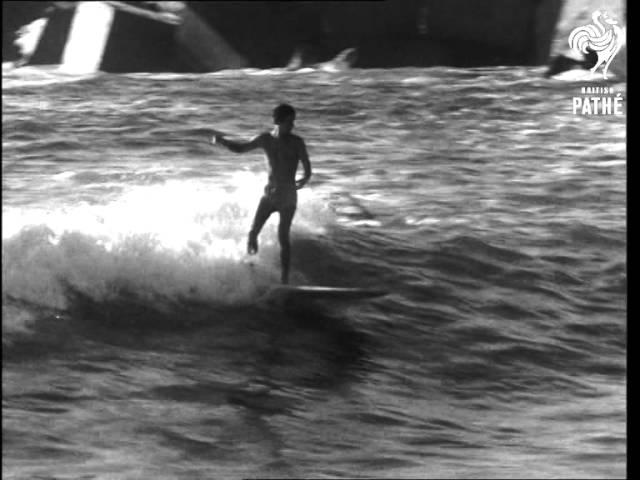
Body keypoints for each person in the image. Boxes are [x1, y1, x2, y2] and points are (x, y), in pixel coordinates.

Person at [212, 104, 312, 284]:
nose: (293, 125)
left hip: (288, 197)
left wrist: (304, 179)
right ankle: (251, 269)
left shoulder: (297, 142)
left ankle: (284, 281)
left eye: (293, 122)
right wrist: (223, 141)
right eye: (289, 122)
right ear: (278, 121)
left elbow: (307, 168)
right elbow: (241, 149)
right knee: (252, 234)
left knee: (283, 237)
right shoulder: (265, 139)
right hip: (269, 195)